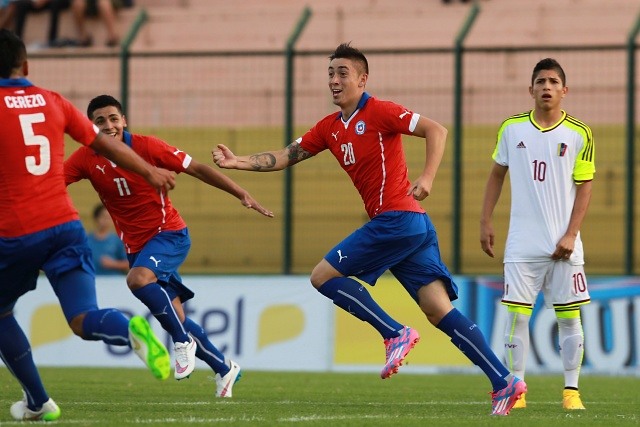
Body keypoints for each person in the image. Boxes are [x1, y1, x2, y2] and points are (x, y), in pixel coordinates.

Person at [213, 42, 526, 416]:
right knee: (436, 309)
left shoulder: (379, 111)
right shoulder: (329, 128)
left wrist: (427, 177)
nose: (334, 80)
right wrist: (237, 162)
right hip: (413, 227)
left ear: (363, 79)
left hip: (396, 219)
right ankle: (503, 381)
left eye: (342, 73)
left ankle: (394, 332)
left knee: (322, 276)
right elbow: (284, 156)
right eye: (330, 73)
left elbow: (436, 130)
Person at [0, 29, 175, 421]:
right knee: (82, 319)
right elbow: (105, 143)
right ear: (25, 66)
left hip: (15, 232)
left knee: (0, 313)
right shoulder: (54, 101)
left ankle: (39, 401)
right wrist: (149, 170)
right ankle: (126, 325)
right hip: (66, 228)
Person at [64, 94, 274, 398]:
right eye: (100, 121)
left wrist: (241, 192)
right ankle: (224, 367)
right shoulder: (85, 157)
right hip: (136, 246)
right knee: (177, 315)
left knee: (137, 280)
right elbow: (53, 182)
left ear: (124, 121)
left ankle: (180, 342)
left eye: (113, 118)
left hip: (169, 234)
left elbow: (198, 168)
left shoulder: (148, 147)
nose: (108, 125)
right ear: (90, 127)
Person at [480, 58, 594, 410]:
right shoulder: (512, 129)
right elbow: (496, 174)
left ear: (564, 90)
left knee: (569, 317)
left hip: (565, 244)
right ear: (530, 89)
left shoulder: (580, 133)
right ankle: (519, 391)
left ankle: (571, 392)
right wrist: (485, 221)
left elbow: (585, 185)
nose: (547, 86)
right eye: (541, 81)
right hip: (522, 243)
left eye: (553, 81)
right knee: (517, 317)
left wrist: (571, 234)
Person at [87, 202, 128, 275]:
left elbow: (128, 264)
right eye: (103, 217)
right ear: (96, 218)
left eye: (109, 217)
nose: (106, 220)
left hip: (113, 281)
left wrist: (113, 264)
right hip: (92, 279)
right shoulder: (87, 240)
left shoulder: (117, 240)